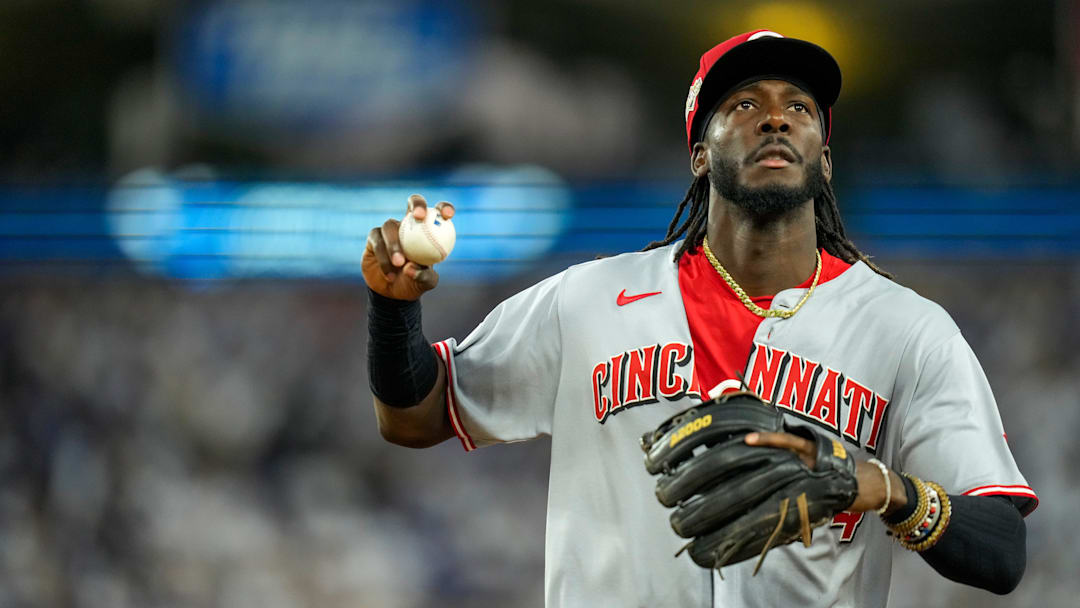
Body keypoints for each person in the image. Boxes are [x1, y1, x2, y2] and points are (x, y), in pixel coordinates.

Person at [362, 30, 1037, 607]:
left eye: (798, 108)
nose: (775, 119)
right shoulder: (589, 298)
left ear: (823, 159)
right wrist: (394, 311)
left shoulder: (906, 329)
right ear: (699, 152)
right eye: (744, 104)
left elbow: (1001, 551)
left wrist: (885, 488)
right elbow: (414, 415)